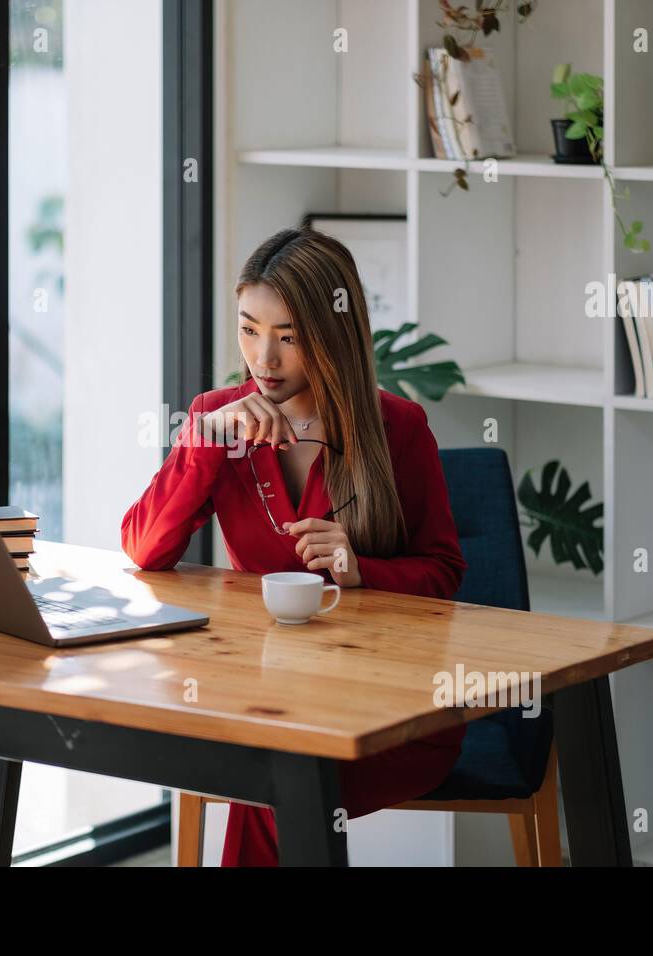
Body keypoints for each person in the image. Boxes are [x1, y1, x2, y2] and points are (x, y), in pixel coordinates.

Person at [120, 226, 468, 866]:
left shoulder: (399, 429)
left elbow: (445, 573)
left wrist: (361, 572)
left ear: (332, 335)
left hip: (391, 708)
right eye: (250, 330)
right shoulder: (220, 418)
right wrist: (204, 442)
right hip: (263, 695)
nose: (264, 359)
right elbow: (145, 548)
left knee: (275, 779)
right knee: (273, 766)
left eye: (289, 336)